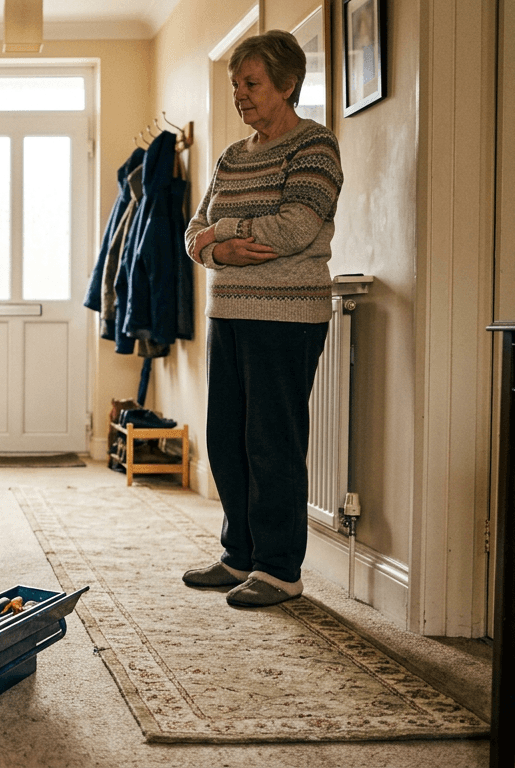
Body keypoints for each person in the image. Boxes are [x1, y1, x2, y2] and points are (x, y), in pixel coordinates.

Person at [181, 30, 344, 607]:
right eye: (235, 84)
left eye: (251, 83)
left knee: (272, 441)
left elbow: (294, 228)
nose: (240, 95)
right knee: (226, 439)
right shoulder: (231, 156)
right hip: (226, 310)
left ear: (288, 83)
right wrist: (216, 248)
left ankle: (279, 570)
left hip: (287, 315)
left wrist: (219, 236)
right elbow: (192, 232)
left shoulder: (314, 147)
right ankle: (240, 556)